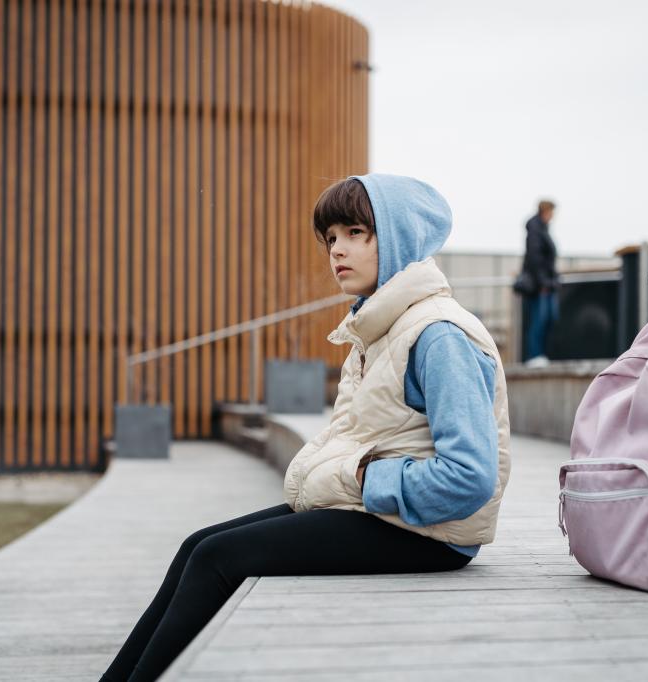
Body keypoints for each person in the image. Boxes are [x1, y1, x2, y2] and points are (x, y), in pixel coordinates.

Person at [100, 174, 511, 681]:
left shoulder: (438, 336)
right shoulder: (377, 331)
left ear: (400, 238)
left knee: (216, 557)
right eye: (331, 237)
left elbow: (470, 478)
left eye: (356, 232)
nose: (337, 250)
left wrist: (363, 481)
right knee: (197, 546)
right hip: (384, 515)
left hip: (429, 532)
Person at [520, 200, 559, 367]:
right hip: (540, 285)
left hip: (546, 283)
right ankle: (534, 355)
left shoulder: (541, 228)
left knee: (547, 319)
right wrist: (543, 282)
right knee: (538, 320)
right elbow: (534, 258)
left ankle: (539, 355)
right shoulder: (536, 229)